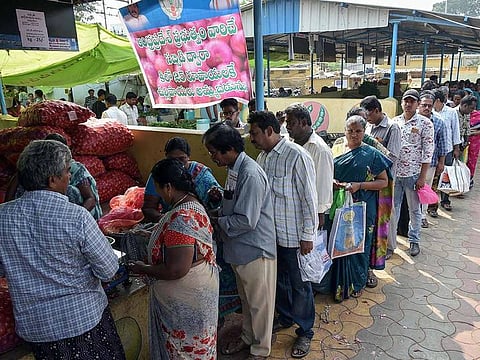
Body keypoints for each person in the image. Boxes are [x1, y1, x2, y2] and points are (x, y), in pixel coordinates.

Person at [0, 140, 124, 359]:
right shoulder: (76, 217)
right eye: (67, 172)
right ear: (52, 179)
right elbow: (108, 270)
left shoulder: (3, 217)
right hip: (83, 322)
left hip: (37, 329)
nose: (70, 177)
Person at [129, 158, 219, 359]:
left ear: (168, 187)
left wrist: (143, 268)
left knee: (186, 349)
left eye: (158, 188)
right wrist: (155, 232)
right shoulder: (191, 202)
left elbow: (176, 269)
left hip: (186, 296)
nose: (158, 194)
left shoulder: (181, 217)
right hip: (198, 288)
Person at [203, 123, 277, 360]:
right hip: (240, 249)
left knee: (259, 305)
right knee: (247, 301)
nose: (212, 157)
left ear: (228, 149)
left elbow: (246, 220)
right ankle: (248, 337)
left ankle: (261, 349)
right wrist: (218, 214)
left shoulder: (251, 174)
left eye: (214, 152)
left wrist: (218, 222)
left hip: (255, 250)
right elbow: (232, 203)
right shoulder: (236, 168)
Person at [249, 111, 317, 359]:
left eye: (255, 133)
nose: (251, 138)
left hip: (294, 237)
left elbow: (309, 199)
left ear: (269, 130)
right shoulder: (262, 157)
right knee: (277, 282)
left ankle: (305, 331)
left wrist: (308, 235)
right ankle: (286, 317)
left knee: (300, 286)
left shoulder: (297, 156)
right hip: (269, 236)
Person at [329, 115, 391, 301]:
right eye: (350, 130)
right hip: (339, 204)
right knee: (338, 241)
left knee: (359, 244)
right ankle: (338, 282)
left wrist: (359, 185)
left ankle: (357, 282)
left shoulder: (371, 153)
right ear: (344, 130)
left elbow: (383, 181)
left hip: (362, 206)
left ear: (364, 132)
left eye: (358, 131)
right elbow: (327, 172)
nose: (354, 135)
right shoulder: (337, 149)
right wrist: (332, 182)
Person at [5, 133, 102, 220]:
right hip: (35, 210)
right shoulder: (33, 167)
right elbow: (12, 189)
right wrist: (9, 209)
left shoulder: (76, 168)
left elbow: (90, 198)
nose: (69, 175)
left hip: (69, 213)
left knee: (71, 190)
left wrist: (75, 217)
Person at [393, 89, 434, 257]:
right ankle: (390, 244)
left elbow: (428, 152)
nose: (408, 104)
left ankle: (414, 241)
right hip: (396, 175)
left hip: (413, 175)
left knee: (414, 210)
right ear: (402, 102)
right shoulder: (394, 122)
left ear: (417, 104)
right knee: (393, 209)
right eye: (406, 101)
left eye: (412, 101)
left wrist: (422, 177)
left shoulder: (425, 124)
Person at [360, 95, 401, 260]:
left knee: (387, 213)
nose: (367, 119)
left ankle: (390, 247)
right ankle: (377, 246)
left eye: (368, 115)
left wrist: (374, 149)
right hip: (372, 178)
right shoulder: (369, 126)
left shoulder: (393, 128)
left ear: (377, 110)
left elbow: (392, 156)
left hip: (387, 178)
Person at [142, 137, 222, 222]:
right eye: (172, 159)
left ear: (188, 157)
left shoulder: (201, 173)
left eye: (181, 159)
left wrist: (216, 196)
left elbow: (221, 202)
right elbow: (148, 208)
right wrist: (167, 220)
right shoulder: (160, 173)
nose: (177, 163)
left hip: (201, 220)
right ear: (166, 156)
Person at [284, 103, 333, 231]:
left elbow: (323, 184)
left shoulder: (320, 149)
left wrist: (319, 213)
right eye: (286, 123)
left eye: (291, 123)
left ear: (304, 122)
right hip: (293, 209)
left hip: (313, 213)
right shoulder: (290, 145)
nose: (287, 127)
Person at [417, 91, 448, 227]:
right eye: (424, 105)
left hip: (431, 163)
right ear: (419, 105)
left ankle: (422, 215)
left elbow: (442, 144)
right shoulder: (411, 120)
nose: (427, 108)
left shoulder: (439, 122)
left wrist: (441, 162)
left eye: (430, 105)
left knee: (425, 189)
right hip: (411, 163)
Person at [433, 87, 461, 211]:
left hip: (447, 149)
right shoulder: (429, 112)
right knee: (433, 178)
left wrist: (456, 148)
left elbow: (456, 131)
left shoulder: (451, 112)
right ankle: (432, 205)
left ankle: (445, 200)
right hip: (433, 151)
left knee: (446, 177)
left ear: (438, 100)